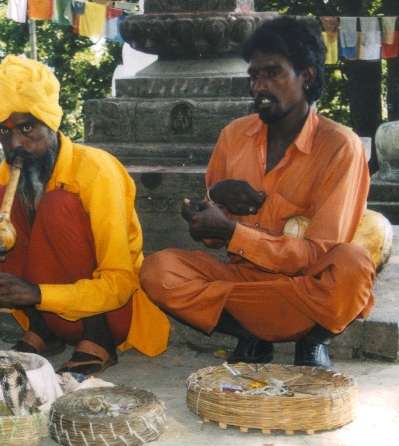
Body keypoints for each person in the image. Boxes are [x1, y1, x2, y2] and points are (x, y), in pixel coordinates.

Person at [139, 17, 376, 370]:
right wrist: (207, 216)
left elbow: (317, 255)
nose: (259, 86)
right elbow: (214, 242)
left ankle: (311, 341)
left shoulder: (340, 146)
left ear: (306, 77)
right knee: (157, 271)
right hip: (244, 280)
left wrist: (232, 232)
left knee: (353, 266)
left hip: (305, 285)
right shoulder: (234, 135)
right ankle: (254, 333)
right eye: (253, 76)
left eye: (272, 73)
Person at [0, 55, 170, 376]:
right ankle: (42, 331)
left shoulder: (96, 169)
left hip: (110, 317)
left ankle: (98, 342)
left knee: (58, 205)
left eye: (28, 127)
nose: (15, 143)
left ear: (51, 124)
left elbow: (121, 283)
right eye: (5, 131)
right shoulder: (4, 177)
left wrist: (38, 293)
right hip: (46, 313)